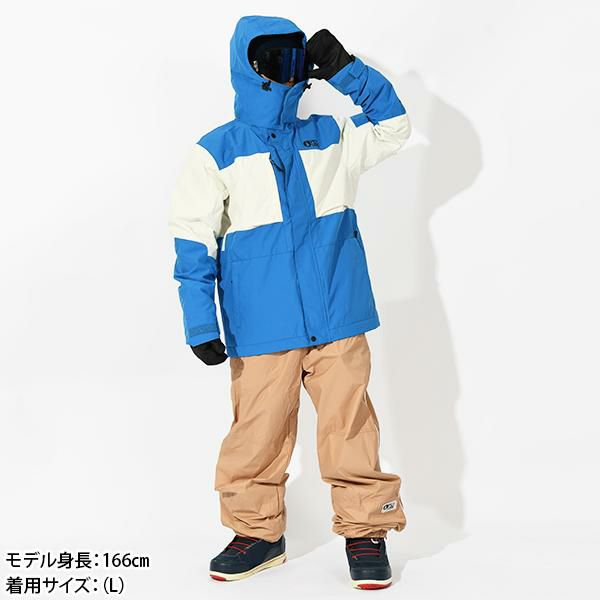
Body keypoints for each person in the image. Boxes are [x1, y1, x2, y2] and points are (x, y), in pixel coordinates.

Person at [168, 14, 412, 590]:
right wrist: (200, 322)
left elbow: (394, 126)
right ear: (249, 67)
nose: (288, 69)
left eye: (296, 57)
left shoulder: (330, 136)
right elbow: (192, 240)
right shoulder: (216, 152)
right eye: (275, 58)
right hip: (262, 323)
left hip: (337, 313)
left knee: (350, 424)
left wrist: (348, 73)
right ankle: (257, 532)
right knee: (257, 430)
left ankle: (365, 528)